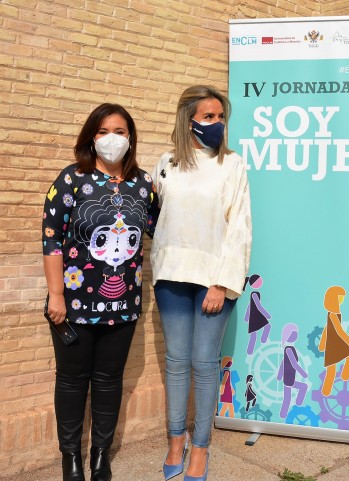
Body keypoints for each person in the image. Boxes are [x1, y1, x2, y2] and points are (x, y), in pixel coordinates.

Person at [42, 103, 159, 481]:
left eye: (121, 131)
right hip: (73, 305)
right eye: (105, 131)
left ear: (131, 137)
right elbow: (51, 242)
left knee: (109, 380)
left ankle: (100, 457)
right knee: (72, 380)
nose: (113, 138)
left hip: (123, 304)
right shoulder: (71, 179)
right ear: (92, 137)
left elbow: (160, 232)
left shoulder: (143, 185)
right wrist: (56, 295)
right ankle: (70, 458)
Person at [151, 85, 251, 481]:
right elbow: (156, 218)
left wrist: (222, 284)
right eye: (208, 117)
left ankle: (201, 449)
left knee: (204, 364)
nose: (217, 124)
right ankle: (176, 440)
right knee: (176, 363)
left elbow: (240, 227)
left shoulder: (233, 165)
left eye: (220, 116)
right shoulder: (166, 163)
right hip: (171, 274)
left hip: (213, 280)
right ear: (187, 120)